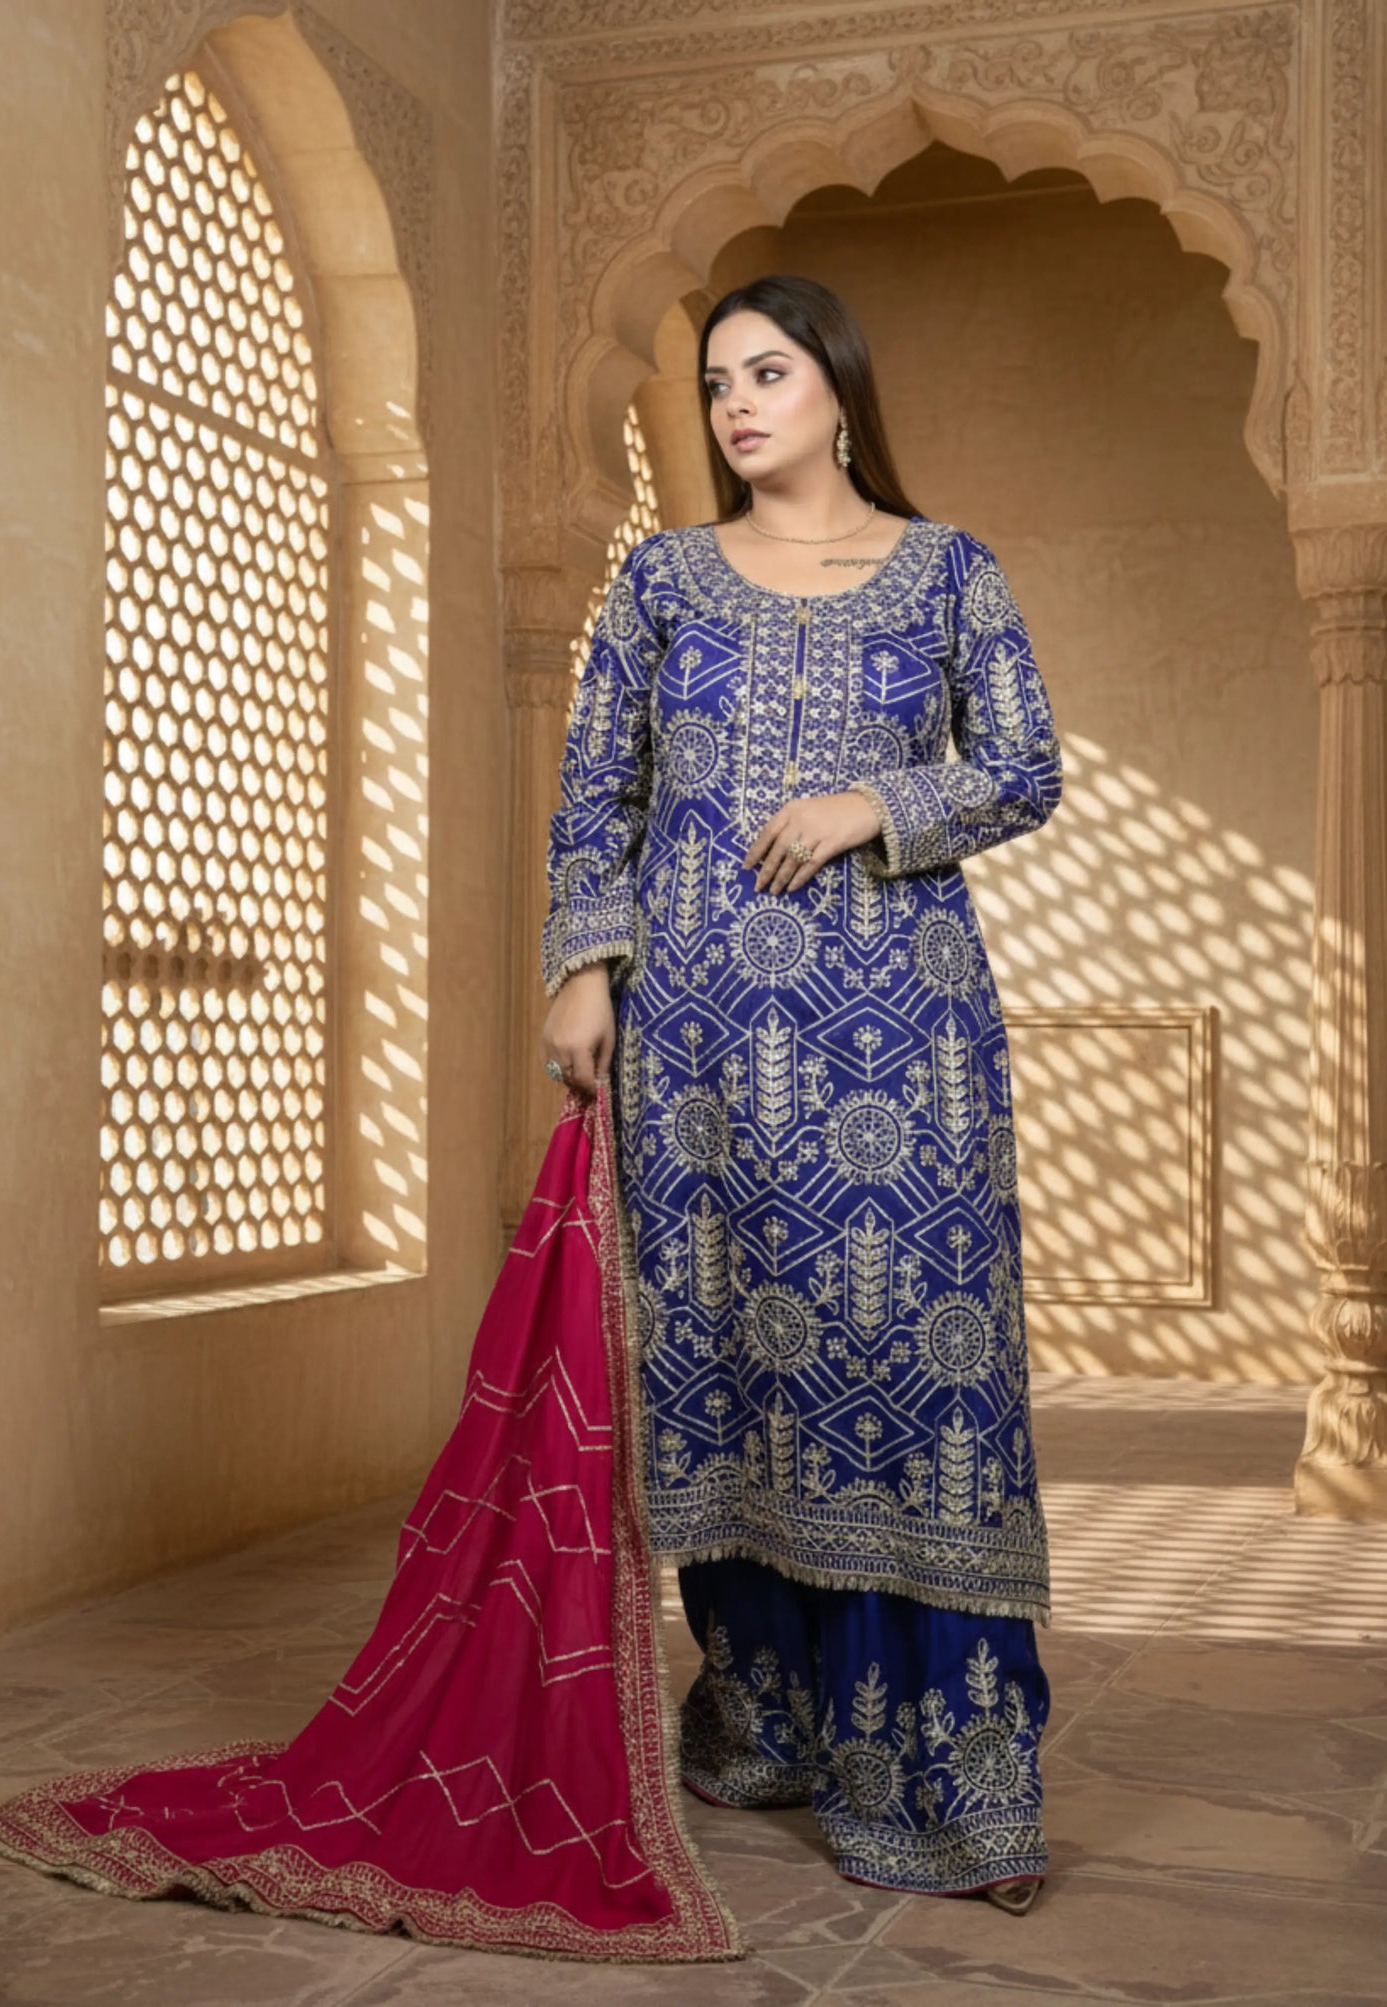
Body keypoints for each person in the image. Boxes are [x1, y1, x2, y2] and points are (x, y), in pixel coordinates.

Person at [540, 274, 1063, 1915]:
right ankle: (765, 1716)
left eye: (769, 373)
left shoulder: (947, 575)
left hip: (903, 1044)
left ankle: (944, 1776)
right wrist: (579, 965)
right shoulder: (662, 585)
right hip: (695, 1046)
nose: (738, 405)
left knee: (915, 1362)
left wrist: (868, 802)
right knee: (720, 1354)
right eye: (714, 385)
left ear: (837, 389)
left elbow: (1025, 763)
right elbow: (593, 791)